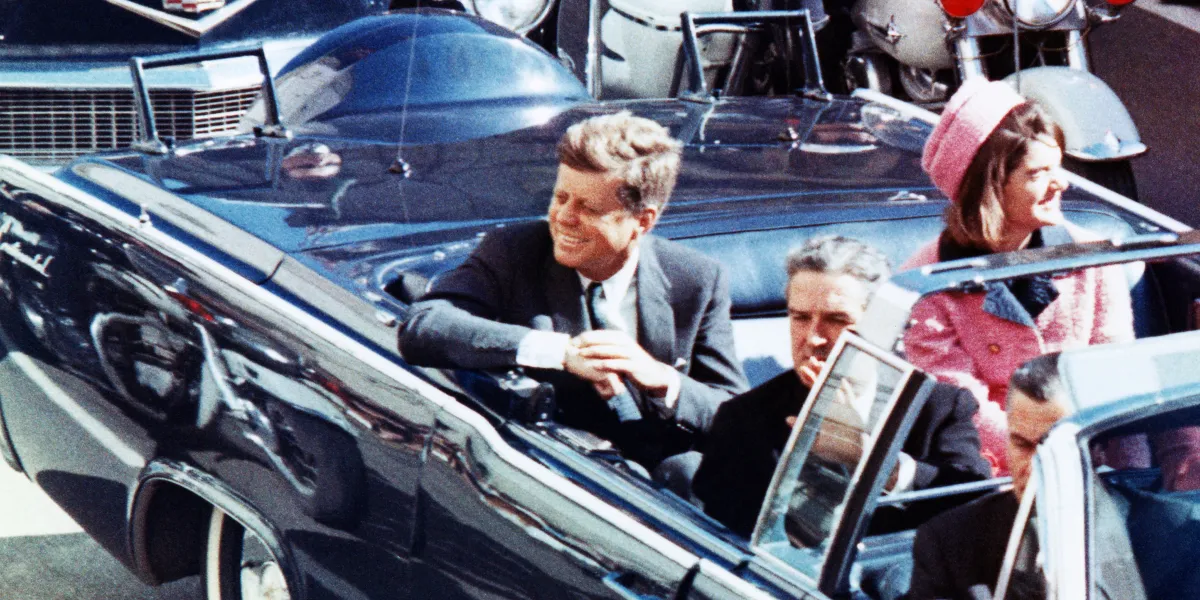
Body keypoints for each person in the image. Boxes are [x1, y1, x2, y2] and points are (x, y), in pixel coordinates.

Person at [398, 111, 749, 471]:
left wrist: (662, 379)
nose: (564, 217)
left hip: (658, 485)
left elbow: (739, 416)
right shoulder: (515, 252)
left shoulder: (696, 279)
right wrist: (561, 352)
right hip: (554, 470)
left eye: (589, 208)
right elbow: (423, 327)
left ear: (643, 221)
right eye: (560, 197)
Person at [902, 79, 1134, 475]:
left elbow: (1117, 374)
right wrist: (1050, 462)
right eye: (1038, 173)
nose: (1061, 183)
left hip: (1095, 458)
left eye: (1058, 166)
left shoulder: (1091, 257)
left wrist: (1132, 481)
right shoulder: (927, 282)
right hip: (992, 476)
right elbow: (962, 408)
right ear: (989, 186)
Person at [692, 236, 991, 538]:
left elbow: (975, 505)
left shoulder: (937, 407)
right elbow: (730, 542)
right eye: (800, 317)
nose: (813, 338)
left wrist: (871, 461)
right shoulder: (743, 419)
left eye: (836, 319)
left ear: (884, 325)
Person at [907, 352, 1068, 600]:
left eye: (1053, 450)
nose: (1033, 468)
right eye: (1022, 445)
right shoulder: (951, 542)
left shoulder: (1134, 530)